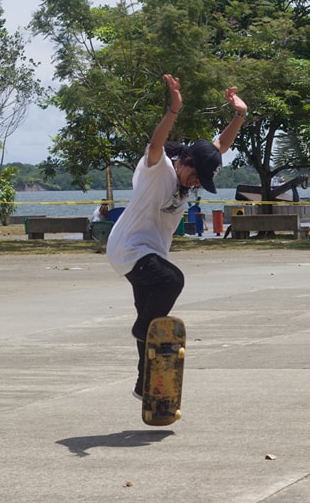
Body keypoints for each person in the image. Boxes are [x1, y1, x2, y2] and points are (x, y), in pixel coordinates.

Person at [106, 74, 248, 399]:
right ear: (184, 161)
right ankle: (143, 328)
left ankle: (144, 385)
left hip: (147, 253)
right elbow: (156, 143)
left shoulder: (194, 170)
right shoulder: (160, 169)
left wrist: (239, 115)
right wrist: (173, 110)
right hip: (129, 247)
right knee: (172, 281)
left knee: (151, 313)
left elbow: (219, 146)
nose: (195, 183)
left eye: (201, 180)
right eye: (194, 175)